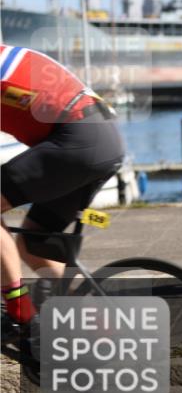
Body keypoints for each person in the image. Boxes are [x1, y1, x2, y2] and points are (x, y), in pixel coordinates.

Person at [1, 45, 125, 328]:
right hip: (103, 139)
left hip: (78, 139)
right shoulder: (12, 56)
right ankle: (104, 330)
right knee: (34, 243)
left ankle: (20, 313)